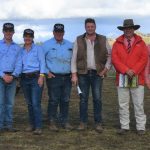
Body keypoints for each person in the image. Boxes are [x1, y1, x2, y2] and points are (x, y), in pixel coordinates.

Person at [71, 18, 111, 132]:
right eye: (88, 26)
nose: (90, 28)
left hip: (97, 74)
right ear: (85, 27)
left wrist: (106, 69)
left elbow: (110, 55)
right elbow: (73, 58)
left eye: (92, 26)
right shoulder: (79, 39)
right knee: (83, 99)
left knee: (97, 99)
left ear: (95, 27)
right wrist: (74, 74)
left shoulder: (103, 39)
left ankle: (98, 123)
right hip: (82, 74)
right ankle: (83, 123)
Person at [112, 19, 148, 135]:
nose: (128, 30)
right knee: (123, 103)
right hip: (122, 77)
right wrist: (126, 70)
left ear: (134, 29)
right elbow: (115, 59)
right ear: (123, 29)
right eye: (126, 28)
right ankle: (124, 126)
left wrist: (134, 70)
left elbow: (144, 58)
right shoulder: (117, 43)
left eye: (130, 28)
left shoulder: (141, 43)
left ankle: (141, 127)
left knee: (138, 103)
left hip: (138, 77)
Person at [43, 23, 73, 131]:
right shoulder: (46, 45)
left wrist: (73, 73)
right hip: (53, 77)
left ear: (64, 33)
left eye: (61, 32)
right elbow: (41, 61)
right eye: (57, 32)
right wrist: (47, 72)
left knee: (65, 100)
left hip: (67, 77)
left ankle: (64, 121)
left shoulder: (70, 45)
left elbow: (74, 60)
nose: (59, 34)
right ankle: (51, 121)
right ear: (53, 32)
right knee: (54, 100)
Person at [19, 29, 46, 135]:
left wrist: (41, 76)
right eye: (26, 36)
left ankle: (38, 126)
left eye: (30, 36)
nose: (28, 38)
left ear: (32, 38)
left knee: (36, 103)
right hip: (24, 78)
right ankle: (31, 124)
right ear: (23, 37)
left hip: (36, 78)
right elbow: (19, 65)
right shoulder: (21, 51)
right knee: (29, 103)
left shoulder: (38, 49)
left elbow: (42, 63)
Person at [0, 23, 21, 132]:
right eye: (6, 30)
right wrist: (3, 75)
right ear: (3, 31)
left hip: (12, 79)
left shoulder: (17, 48)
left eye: (10, 31)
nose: (8, 33)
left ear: (13, 32)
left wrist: (13, 76)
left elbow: (19, 64)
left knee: (10, 103)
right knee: (0, 102)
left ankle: (8, 125)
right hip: (0, 77)